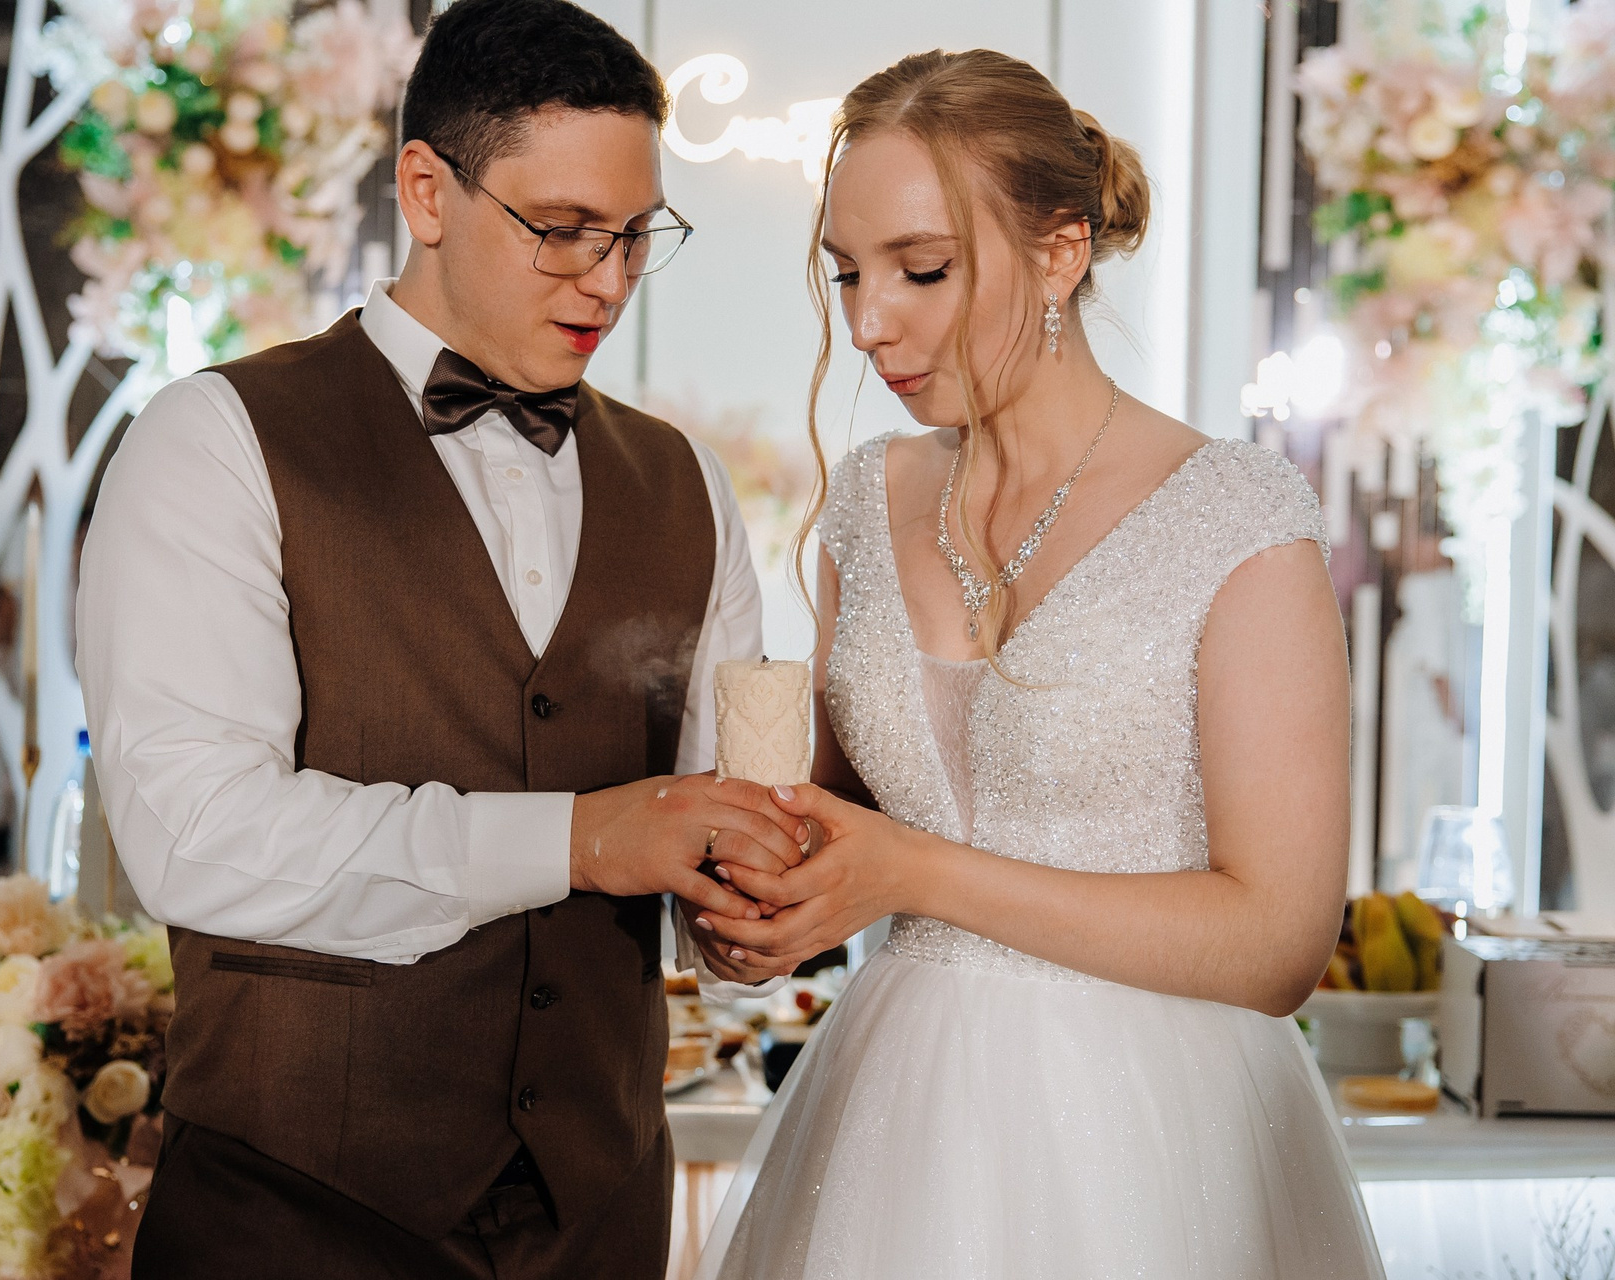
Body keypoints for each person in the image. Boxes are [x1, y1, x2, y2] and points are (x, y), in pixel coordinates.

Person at [76, 3, 794, 1276]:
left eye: (637, 235)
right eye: (563, 230)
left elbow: (703, 829)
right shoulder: (215, 441)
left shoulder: (684, 482)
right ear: (426, 191)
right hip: (291, 1219)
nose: (609, 280)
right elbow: (197, 836)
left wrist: (741, 919)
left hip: (599, 1218)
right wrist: (580, 837)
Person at [691, 50, 1386, 1278]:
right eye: (847, 272)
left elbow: (1280, 941)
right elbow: (845, 819)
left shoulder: (1235, 516)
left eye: (922, 269)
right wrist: (767, 904)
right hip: (892, 1117)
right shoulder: (867, 499)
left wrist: (912, 871)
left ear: (1062, 252)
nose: (868, 322)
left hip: (1152, 1129)